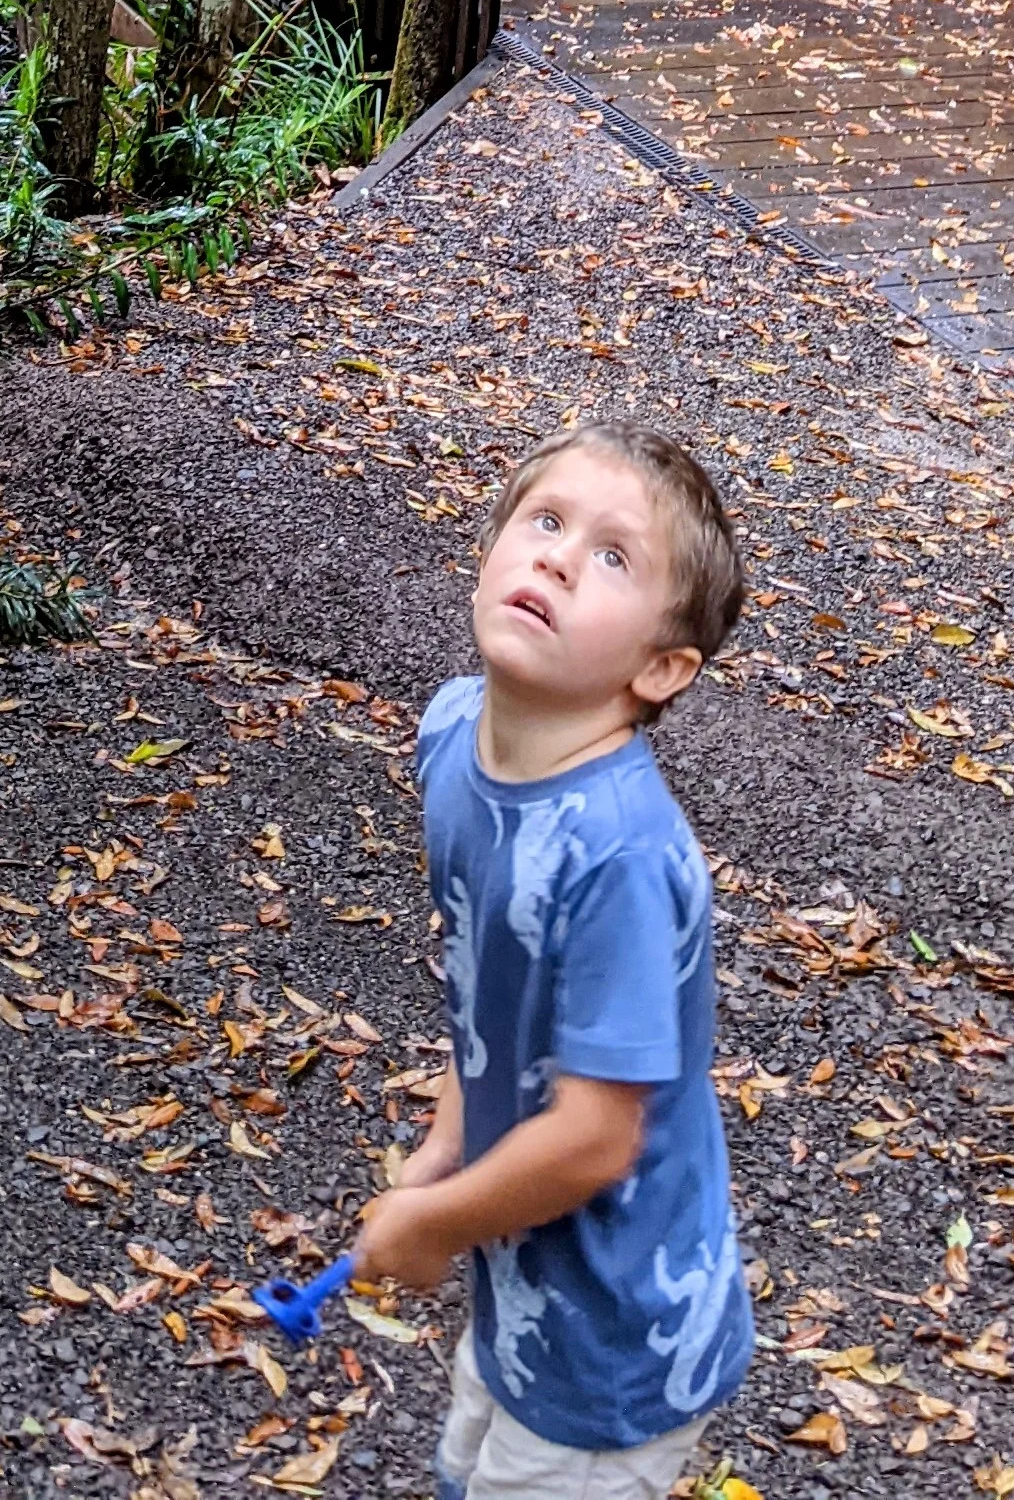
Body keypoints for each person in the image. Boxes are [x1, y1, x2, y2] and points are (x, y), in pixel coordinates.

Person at [356, 421, 754, 1499]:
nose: (560, 556)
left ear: (663, 669)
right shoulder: (453, 737)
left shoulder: (620, 857)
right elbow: (487, 981)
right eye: (544, 520)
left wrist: (432, 1220)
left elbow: (595, 1138)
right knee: (464, 1465)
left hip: (619, 1333)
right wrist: (449, 1137)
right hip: (523, 1286)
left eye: (613, 556)